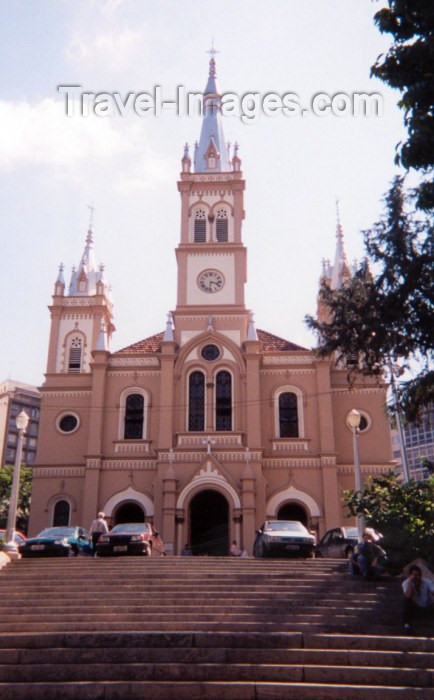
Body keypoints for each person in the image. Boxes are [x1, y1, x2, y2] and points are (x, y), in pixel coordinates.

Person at [402, 564, 434, 633]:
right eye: (415, 576)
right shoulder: (406, 583)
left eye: (419, 575)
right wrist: (411, 582)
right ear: (410, 576)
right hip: (416, 608)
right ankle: (407, 625)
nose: (418, 577)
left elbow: (433, 591)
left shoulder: (427, 581)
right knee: (406, 601)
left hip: (427, 607)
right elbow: (408, 596)